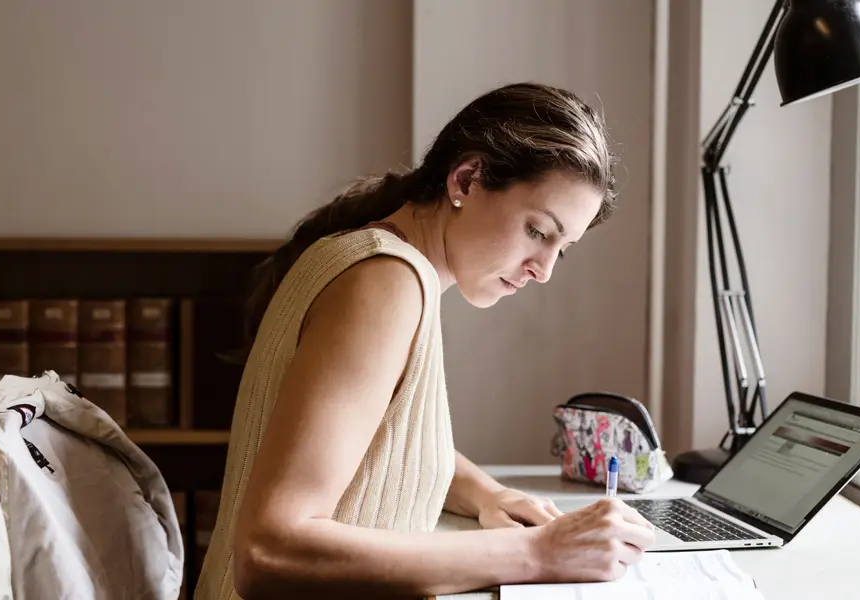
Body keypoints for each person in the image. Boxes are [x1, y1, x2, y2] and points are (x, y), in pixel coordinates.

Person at [194, 82, 656, 600]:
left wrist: (488, 494)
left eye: (562, 249)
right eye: (537, 230)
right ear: (467, 178)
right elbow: (269, 551)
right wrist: (540, 553)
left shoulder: (370, 259)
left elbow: (376, 442)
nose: (544, 270)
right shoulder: (385, 282)